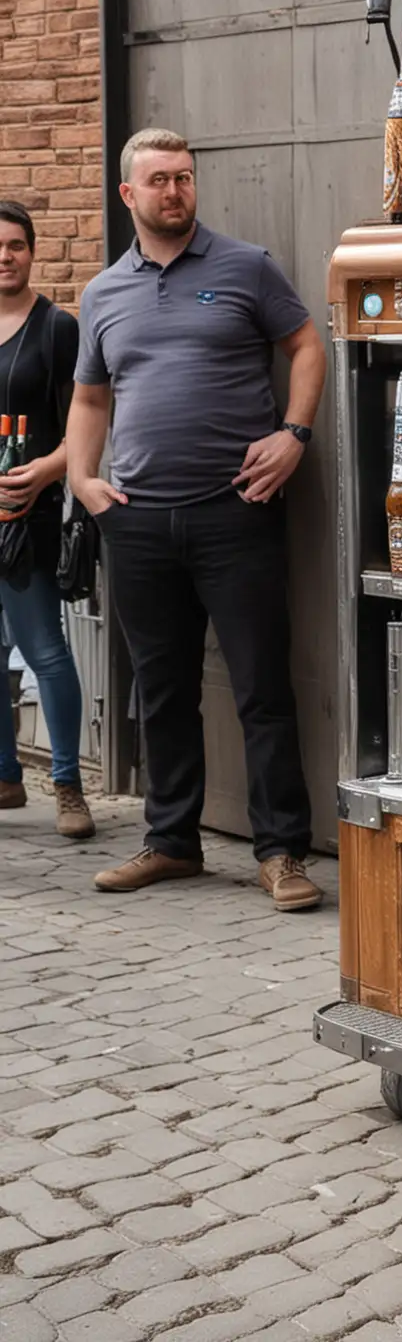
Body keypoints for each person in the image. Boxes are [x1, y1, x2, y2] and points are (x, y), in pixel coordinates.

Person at [66, 129, 328, 910]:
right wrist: (83, 478)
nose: (175, 191)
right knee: (162, 688)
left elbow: (307, 345)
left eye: (184, 178)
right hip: (139, 521)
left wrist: (295, 433)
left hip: (234, 513)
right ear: (130, 196)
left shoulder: (246, 267)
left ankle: (281, 851)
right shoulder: (102, 292)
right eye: (159, 181)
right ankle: (172, 841)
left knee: (260, 688)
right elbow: (90, 396)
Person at [0, 202, 93, 839]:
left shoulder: (56, 328)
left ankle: (67, 785)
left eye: (15, 245)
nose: (4, 256)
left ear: (33, 251)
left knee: (45, 651)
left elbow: (85, 424)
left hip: (25, 517)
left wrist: (48, 470)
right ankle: (6, 778)